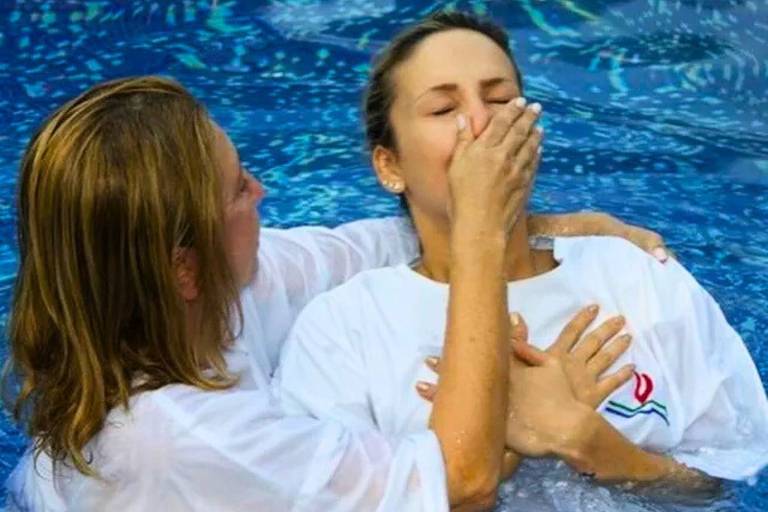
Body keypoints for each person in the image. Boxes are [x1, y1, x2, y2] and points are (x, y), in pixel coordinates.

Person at [4, 76, 664, 511]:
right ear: (183, 269)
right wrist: (486, 248)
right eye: (237, 189)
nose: (261, 190)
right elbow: (459, 483)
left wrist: (551, 229)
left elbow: (368, 248)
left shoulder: (187, 298)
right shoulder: (179, 440)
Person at [274, 10, 768, 504]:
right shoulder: (342, 331)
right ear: (390, 165)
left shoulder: (637, 276)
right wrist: (505, 439)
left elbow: (718, 489)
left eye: (500, 100)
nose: (482, 122)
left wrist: (591, 443)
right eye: (444, 109)